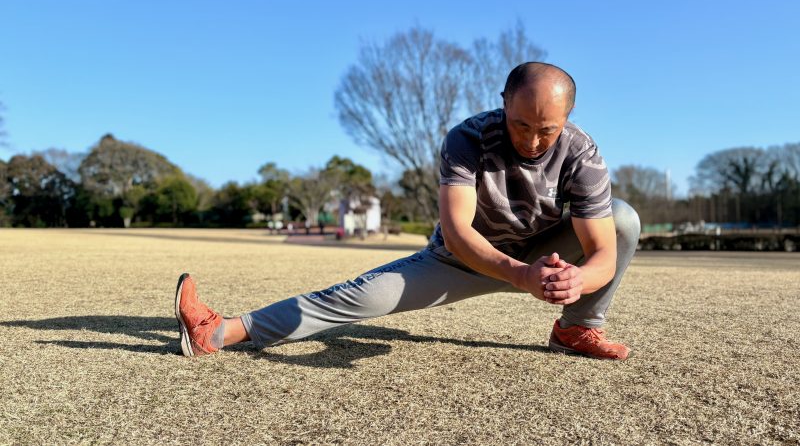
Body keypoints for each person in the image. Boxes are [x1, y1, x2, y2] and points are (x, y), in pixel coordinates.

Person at [174, 62, 640, 361]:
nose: (533, 140)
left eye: (547, 130)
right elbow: (457, 231)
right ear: (503, 103)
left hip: (539, 251)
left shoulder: (582, 152)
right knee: (358, 296)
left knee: (623, 218)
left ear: (567, 118)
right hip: (462, 258)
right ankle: (218, 333)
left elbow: (602, 250)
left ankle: (577, 328)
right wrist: (519, 275)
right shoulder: (469, 138)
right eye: (521, 125)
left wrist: (578, 280)